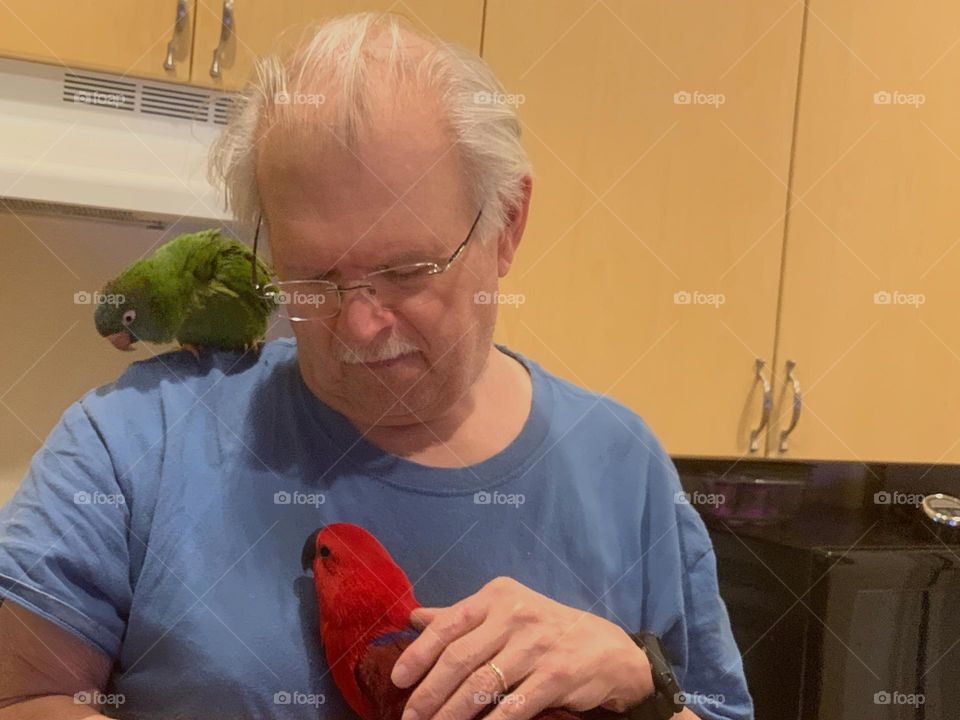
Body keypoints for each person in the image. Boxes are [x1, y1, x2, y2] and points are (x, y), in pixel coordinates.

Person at [0, 12, 751, 720]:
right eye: (312, 276)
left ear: (508, 226)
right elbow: (18, 696)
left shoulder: (625, 468)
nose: (358, 323)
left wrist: (640, 684)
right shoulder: (133, 441)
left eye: (408, 268)